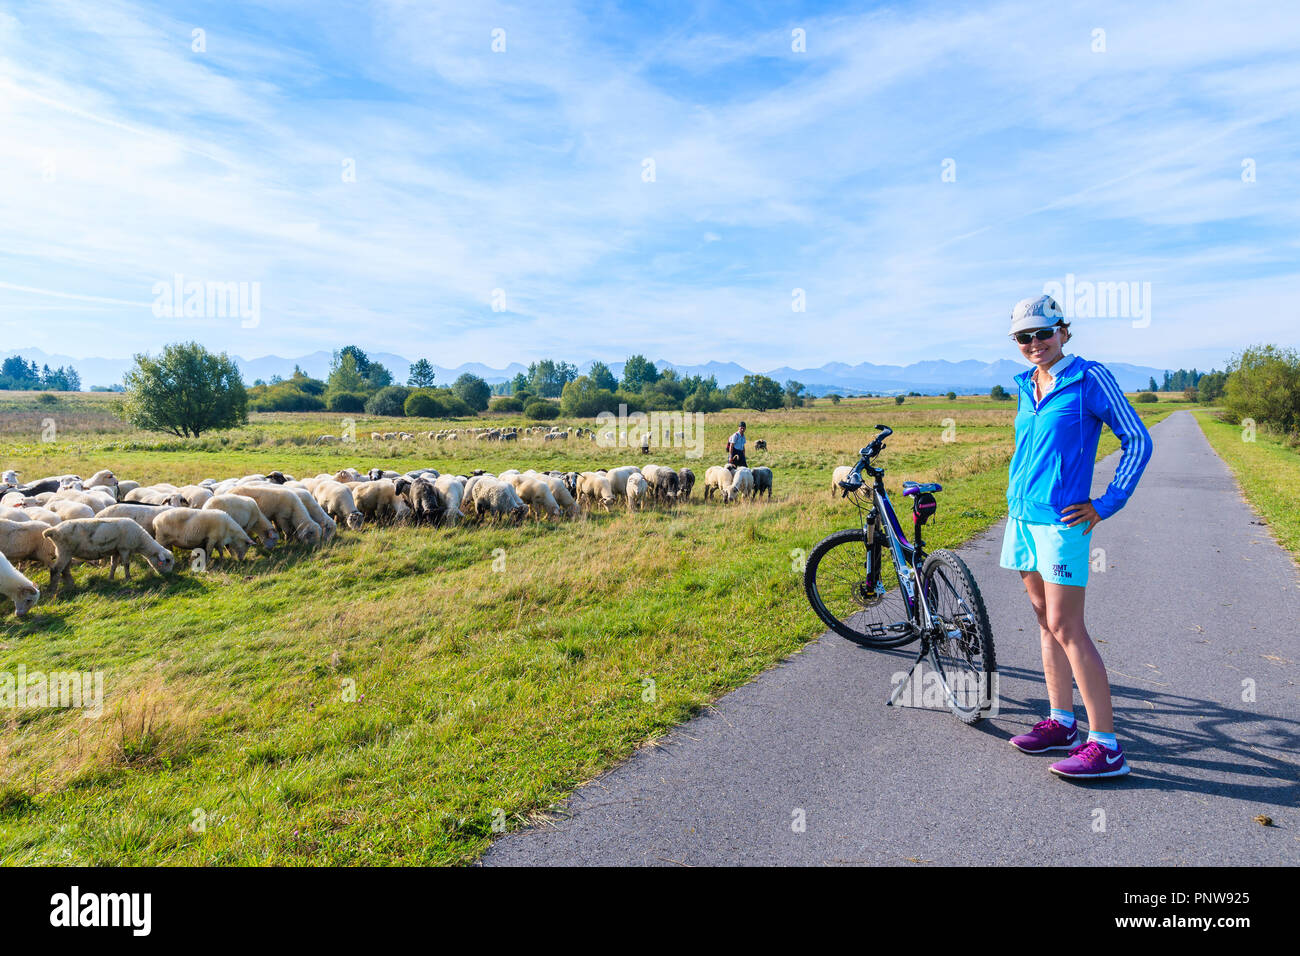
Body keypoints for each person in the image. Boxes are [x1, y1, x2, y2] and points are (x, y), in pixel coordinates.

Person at [1000, 294, 1152, 779]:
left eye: (1043, 333)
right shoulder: (1026, 384)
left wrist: (1106, 503)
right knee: (1045, 622)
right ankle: (1062, 722)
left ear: (1063, 331)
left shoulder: (1089, 378)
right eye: (1025, 337)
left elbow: (1137, 439)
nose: (1035, 343)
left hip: (1063, 523)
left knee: (1068, 627)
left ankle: (1105, 744)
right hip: (1023, 519)